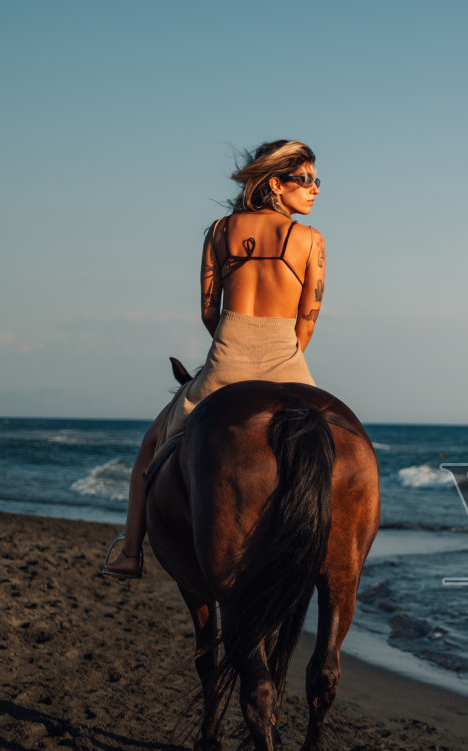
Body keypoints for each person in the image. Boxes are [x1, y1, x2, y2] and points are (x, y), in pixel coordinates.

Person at [101, 140, 327, 579]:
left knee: (151, 447)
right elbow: (307, 322)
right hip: (289, 361)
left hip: (226, 362)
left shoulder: (220, 231)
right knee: (327, 448)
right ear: (276, 185)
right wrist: (280, 352)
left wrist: (234, 345)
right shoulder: (311, 240)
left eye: (317, 181)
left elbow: (208, 310)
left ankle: (130, 553)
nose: (315, 189)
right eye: (306, 180)